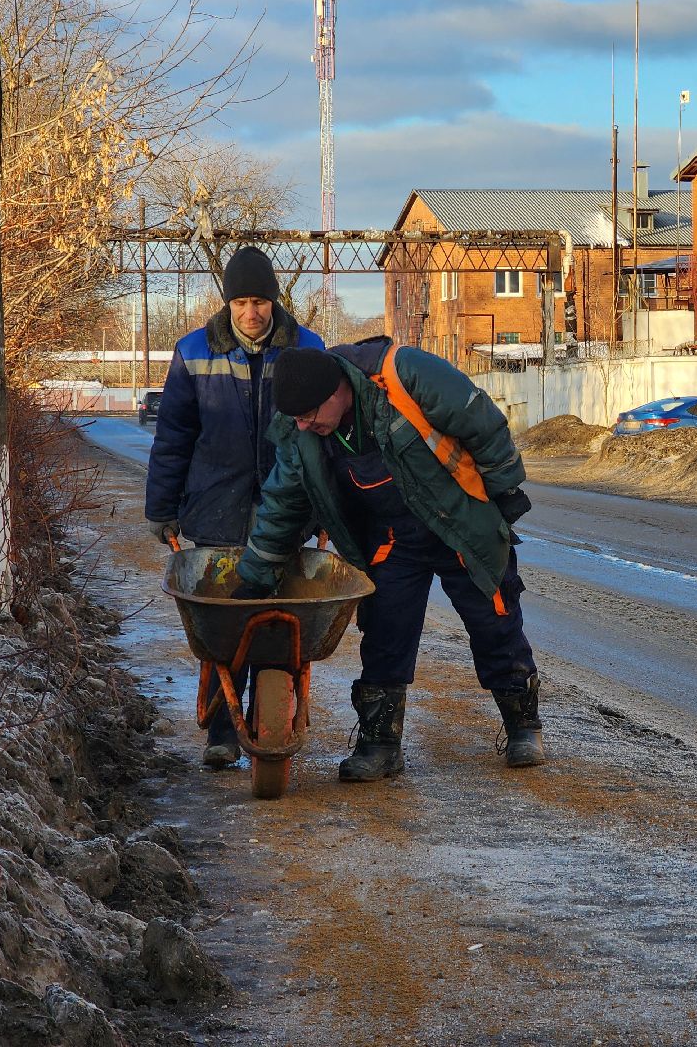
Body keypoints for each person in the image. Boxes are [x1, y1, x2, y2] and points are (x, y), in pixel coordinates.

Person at [230, 338, 545, 780]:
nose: (302, 426)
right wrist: (255, 575)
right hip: (393, 538)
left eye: (309, 415)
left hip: (459, 522)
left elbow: (480, 421)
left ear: (337, 390)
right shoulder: (301, 432)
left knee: (495, 622)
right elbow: (283, 503)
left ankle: (523, 727)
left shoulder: (403, 373)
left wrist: (504, 490)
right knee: (384, 633)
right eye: (296, 418)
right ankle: (380, 745)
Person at [145, 245, 325, 767]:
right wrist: (161, 507)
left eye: (260, 302)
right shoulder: (193, 351)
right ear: (227, 303)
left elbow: (326, 438)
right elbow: (174, 437)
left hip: (288, 510)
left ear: (275, 301)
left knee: (280, 620)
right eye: (241, 302)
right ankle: (223, 730)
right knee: (225, 622)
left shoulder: (307, 348)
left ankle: (273, 713)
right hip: (216, 507)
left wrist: (330, 510)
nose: (251, 313)